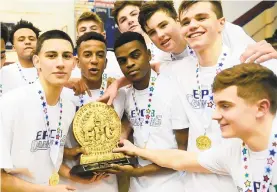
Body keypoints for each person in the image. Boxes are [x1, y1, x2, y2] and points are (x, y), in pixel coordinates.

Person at [114, 63, 277, 192]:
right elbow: (180, 159)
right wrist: (137, 151)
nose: (215, 115)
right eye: (216, 106)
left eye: (225, 106)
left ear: (261, 108)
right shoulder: (235, 151)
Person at [107, 31, 187, 192]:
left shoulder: (173, 90)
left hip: (171, 184)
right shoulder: (126, 95)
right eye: (122, 61)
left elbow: (183, 153)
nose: (129, 63)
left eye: (135, 55)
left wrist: (138, 172)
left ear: (149, 55)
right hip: (137, 186)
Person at [0, 30, 77, 192]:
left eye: (67, 56)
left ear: (74, 63)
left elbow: (48, 156)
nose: (60, 63)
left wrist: (72, 175)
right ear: (37, 61)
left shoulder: (68, 107)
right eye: (51, 56)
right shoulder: (10, 103)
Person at [61, 32, 126, 192]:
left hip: (108, 184)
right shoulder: (63, 94)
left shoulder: (120, 93)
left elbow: (129, 122)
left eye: (100, 55)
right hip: (73, 182)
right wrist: (69, 152)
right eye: (87, 55)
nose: (94, 60)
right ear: (77, 61)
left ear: (106, 62)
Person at [112, 0, 172, 66]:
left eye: (134, 14)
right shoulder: (118, 60)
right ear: (119, 29)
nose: (130, 20)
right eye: (123, 20)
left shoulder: (165, 42)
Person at [1, 19, 40, 94]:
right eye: (21, 40)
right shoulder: (4, 73)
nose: (27, 42)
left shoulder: (51, 69)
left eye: (32, 39)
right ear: (13, 47)